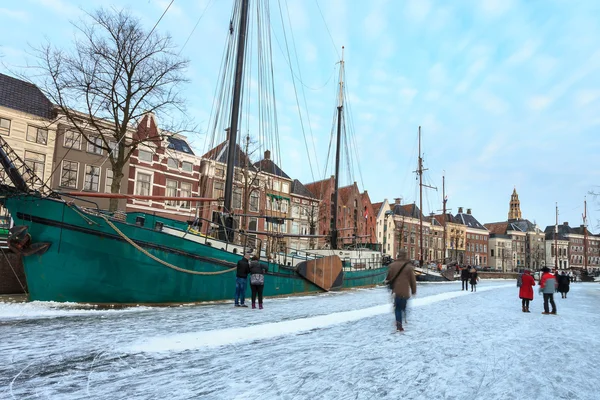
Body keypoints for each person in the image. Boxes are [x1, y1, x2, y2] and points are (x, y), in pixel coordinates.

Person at [385, 250, 417, 332]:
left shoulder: (392, 266)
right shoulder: (409, 267)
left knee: (397, 308)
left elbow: (388, 278)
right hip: (405, 292)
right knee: (403, 307)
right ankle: (402, 319)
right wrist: (413, 290)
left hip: (396, 291)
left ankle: (399, 323)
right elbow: (412, 280)